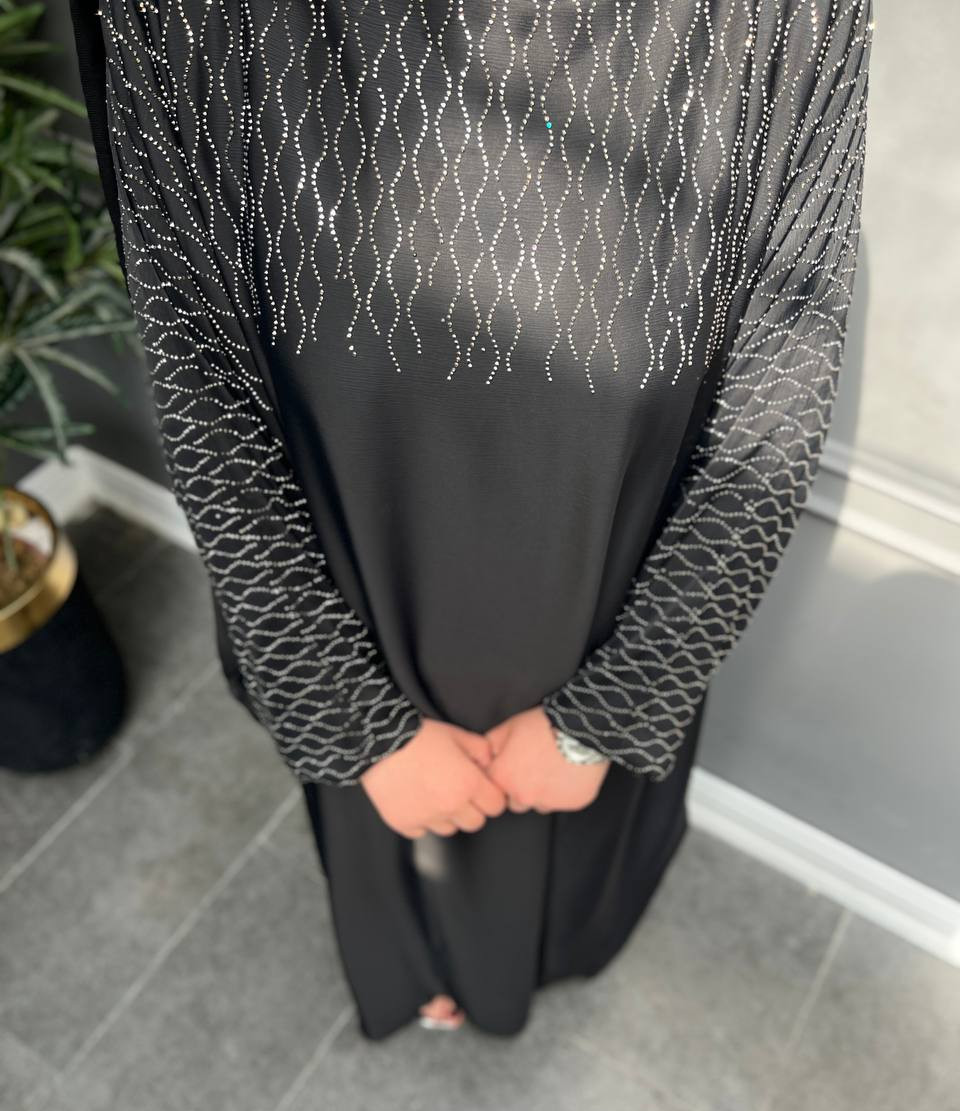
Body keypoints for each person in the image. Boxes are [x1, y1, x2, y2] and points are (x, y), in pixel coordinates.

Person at [69, 0, 873, 1038]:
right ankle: (423, 951)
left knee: (569, 872)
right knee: (397, 865)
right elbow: (198, 373)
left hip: (612, 589)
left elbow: (779, 388)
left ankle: (517, 955)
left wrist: (608, 715)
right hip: (352, 587)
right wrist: (354, 726)